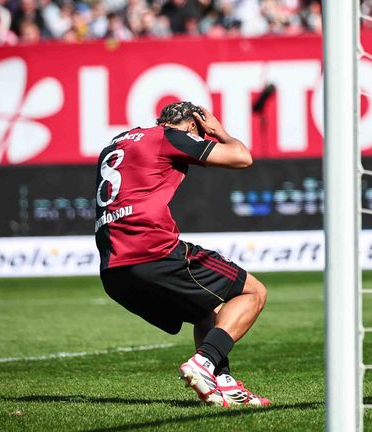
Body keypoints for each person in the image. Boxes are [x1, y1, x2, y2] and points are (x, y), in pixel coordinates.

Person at [95, 101, 269, 407]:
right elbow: (242, 158)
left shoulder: (117, 141)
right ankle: (204, 363)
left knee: (205, 310)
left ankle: (222, 383)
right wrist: (219, 132)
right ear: (192, 126)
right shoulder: (171, 136)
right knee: (253, 292)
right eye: (199, 132)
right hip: (152, 250)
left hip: (114, 269)